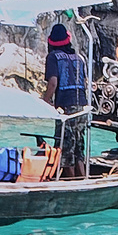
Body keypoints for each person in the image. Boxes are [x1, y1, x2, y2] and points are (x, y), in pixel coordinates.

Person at [45, 22, 90, 180]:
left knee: (65, 148)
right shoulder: (79, 58)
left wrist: (45, 101)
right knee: (78, 147)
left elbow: (53, 83)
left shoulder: (53, 57)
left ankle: (70, 181)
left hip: (66, 107)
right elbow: (84, 83)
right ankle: (83, 178)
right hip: (82, 107)